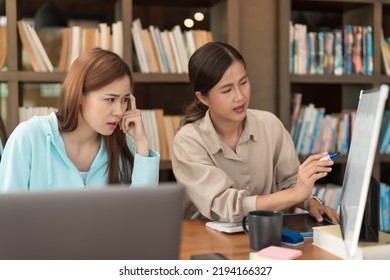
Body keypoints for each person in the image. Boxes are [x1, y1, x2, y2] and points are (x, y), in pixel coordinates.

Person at [171, 42, 338, 223]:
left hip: (265, 236)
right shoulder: (188, 141)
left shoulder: (269, 124)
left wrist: (312, 202)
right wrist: (295, 194)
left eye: (243, 82)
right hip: (206, 242)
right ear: (203, 97)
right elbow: (224, 205)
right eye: (227, 90)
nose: (240, 96)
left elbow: (290, 182)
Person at [0, 48, 159, 191]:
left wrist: (142, 145)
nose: (119, 111)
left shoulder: (124, 144)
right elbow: (7, 216)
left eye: (125, 100)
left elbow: (143, 215)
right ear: (79, 96)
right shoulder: (28, 137)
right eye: (110, 99)